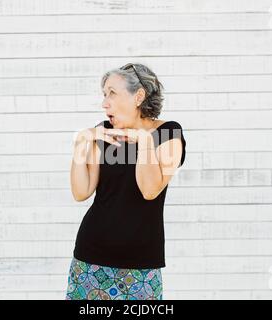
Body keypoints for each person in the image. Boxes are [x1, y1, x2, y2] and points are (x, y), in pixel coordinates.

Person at [66, 63, 186, 300]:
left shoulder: (169, 134)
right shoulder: (104, 132)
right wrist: (81, 143)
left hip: (141, 265)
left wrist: (144, 141)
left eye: (112, 93)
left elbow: (149, 190)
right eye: (104, 94)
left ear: (138, 96)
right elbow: (81, 192)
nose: (104, 103)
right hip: (90, 258)